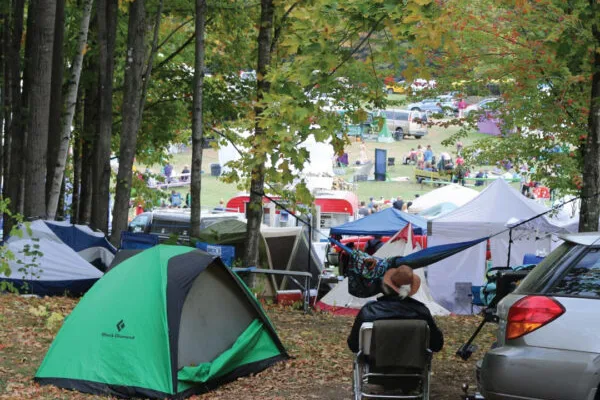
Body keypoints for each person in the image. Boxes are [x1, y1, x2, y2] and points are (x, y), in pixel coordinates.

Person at [347, 266, 444, 353]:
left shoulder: (369, 311)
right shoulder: (422, 312)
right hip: (414, 369)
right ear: (410, 289)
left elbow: (354, 345)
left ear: (385, 286)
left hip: (374, 366)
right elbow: (436, 345)